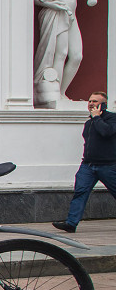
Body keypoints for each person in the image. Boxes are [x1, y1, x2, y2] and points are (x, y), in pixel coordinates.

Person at [52, 91, 116, 233]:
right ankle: (71, 223)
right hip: (88, 166)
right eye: (90, 101)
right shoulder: (89, 123)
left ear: (104, 105)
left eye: (95, 101)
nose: (91, 104)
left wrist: (97, 118)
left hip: (108, 166)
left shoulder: (112, 119)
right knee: (80, 192)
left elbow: (106, 132)